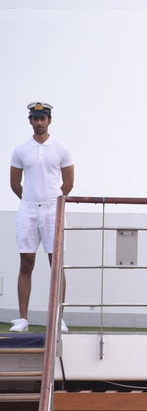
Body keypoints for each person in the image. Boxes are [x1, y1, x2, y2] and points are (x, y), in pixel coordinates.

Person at [9, 102, 74, 332]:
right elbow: (15, 183)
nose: (39, 123)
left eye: (43, 119)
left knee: (56, 264)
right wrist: (29, 199)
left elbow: (68, 183)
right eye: (35, 119)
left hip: (52, 209)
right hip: (28, 209)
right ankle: (23, 319)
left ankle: (58, 317)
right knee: (26, 262)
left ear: (49, 120)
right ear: (30, 121)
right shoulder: (21, 149)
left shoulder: (61, 148)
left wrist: (51, 201)